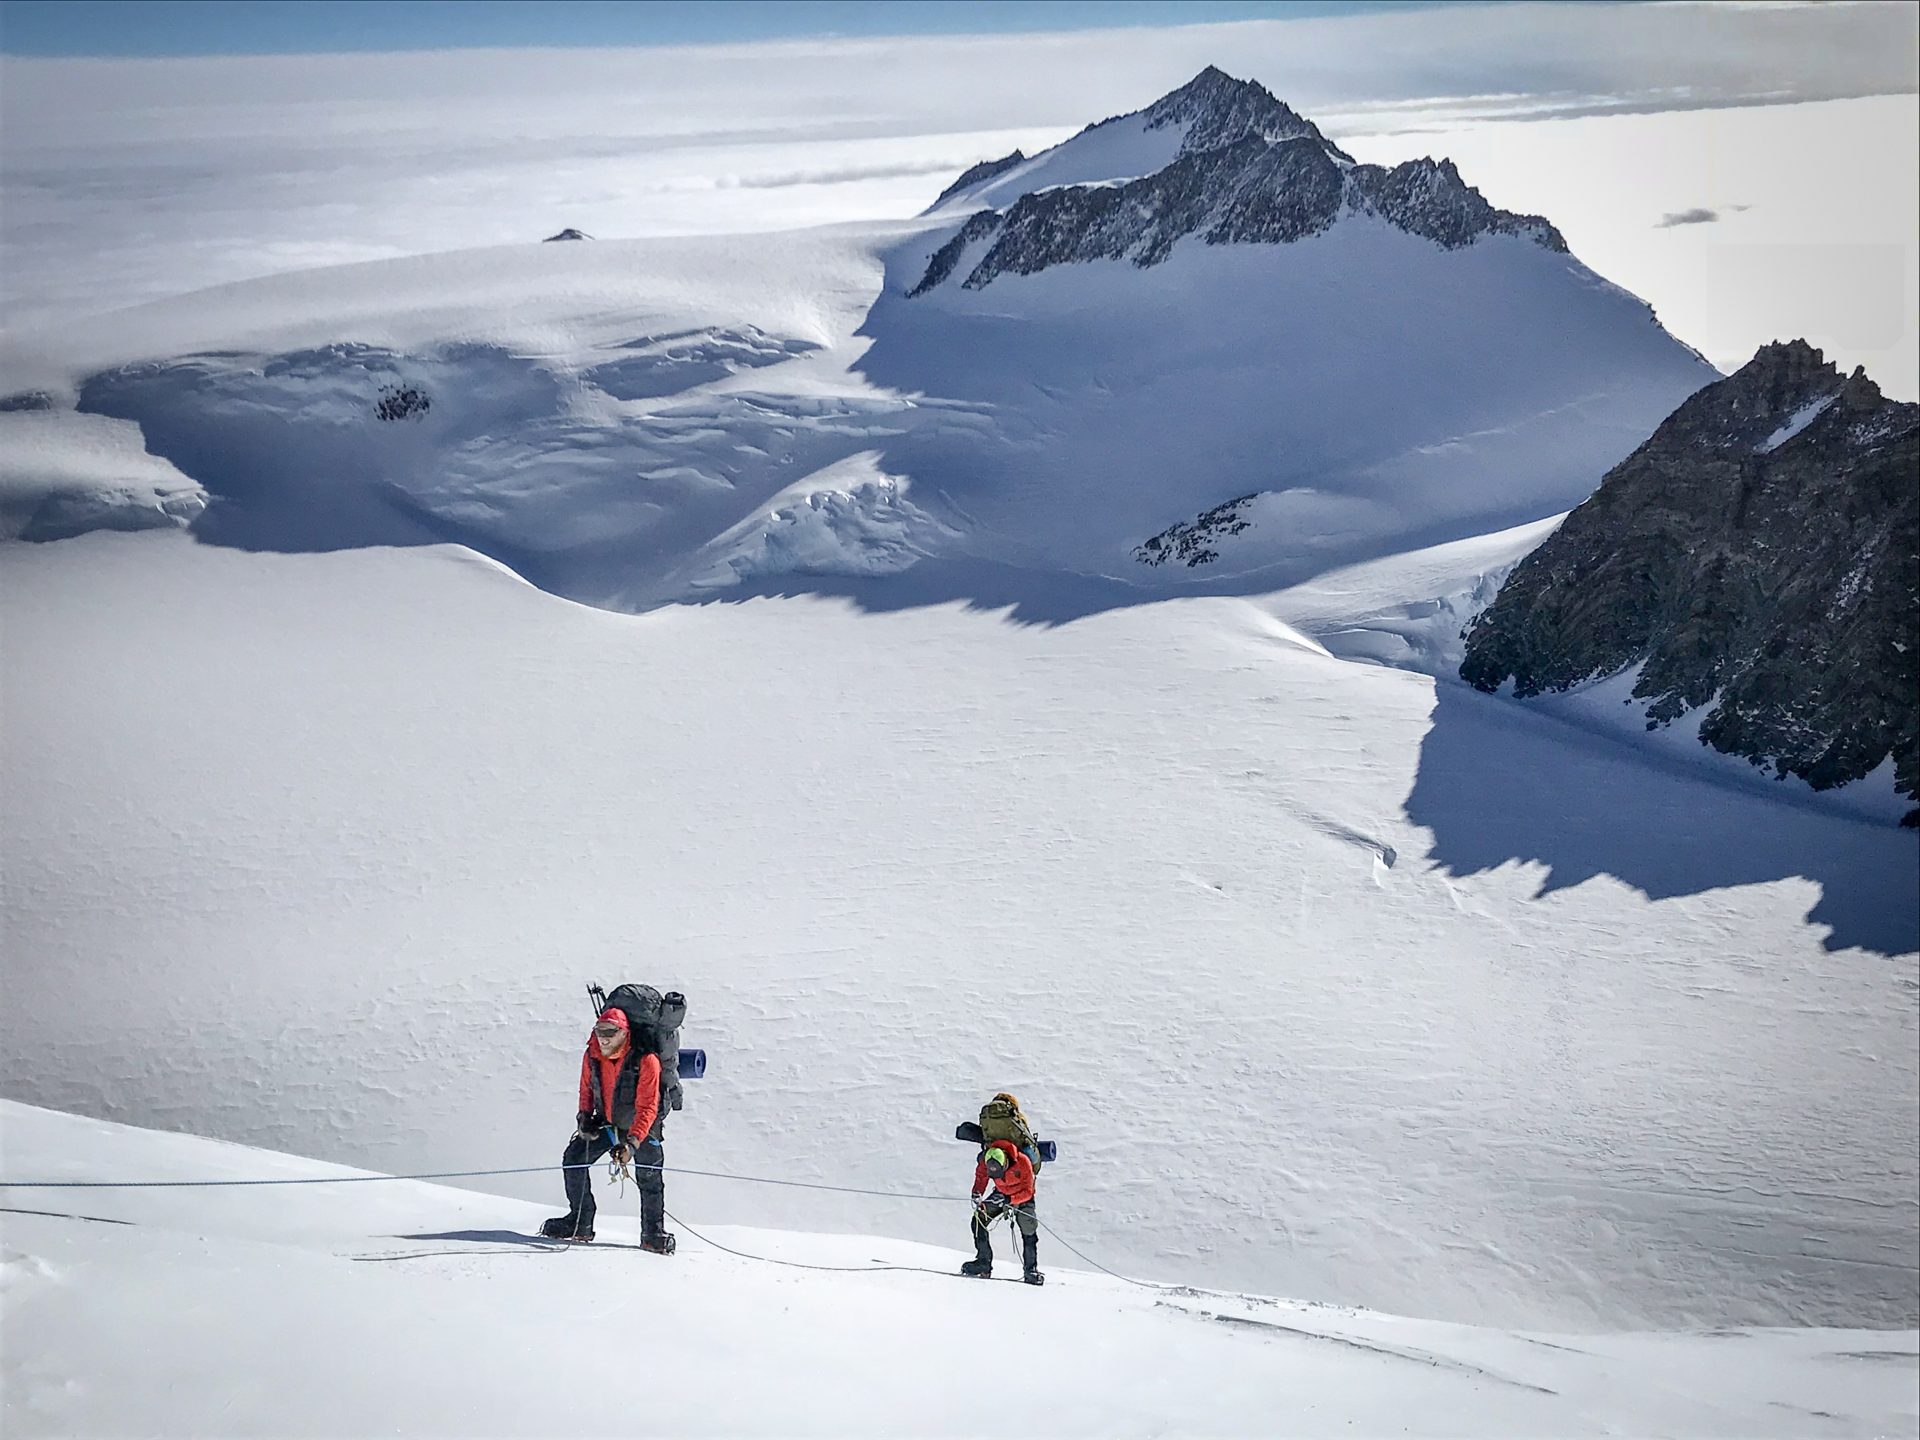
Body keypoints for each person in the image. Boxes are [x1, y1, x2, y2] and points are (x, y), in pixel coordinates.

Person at [541, 1006, 674, 1251]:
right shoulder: (591, 1054)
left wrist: (632, 1143)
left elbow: (647, 1107)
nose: (604, 1037)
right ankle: (580, 1221)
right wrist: (584, 1119)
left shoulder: (647, 1060)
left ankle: (653, 1234)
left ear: (624, 1033)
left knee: (649, 1177)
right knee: (574, 1158)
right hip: (607, 1123)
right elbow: (586, 1090)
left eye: (611, 1032)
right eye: (600, 1030)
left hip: (642, 1128)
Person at [961, 1141, 1043, 1285]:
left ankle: (1031, 1270)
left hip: (1022, 1196)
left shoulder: (1022, 1161)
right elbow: (981, 1176)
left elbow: (1028, 1191)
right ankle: (983, 1262)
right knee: (979, 1218)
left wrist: (1010, 1199)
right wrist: (977, 1192)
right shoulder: (985, 1161)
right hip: (1002, 1193)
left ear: (1005, 1162)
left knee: (1028, 1229)